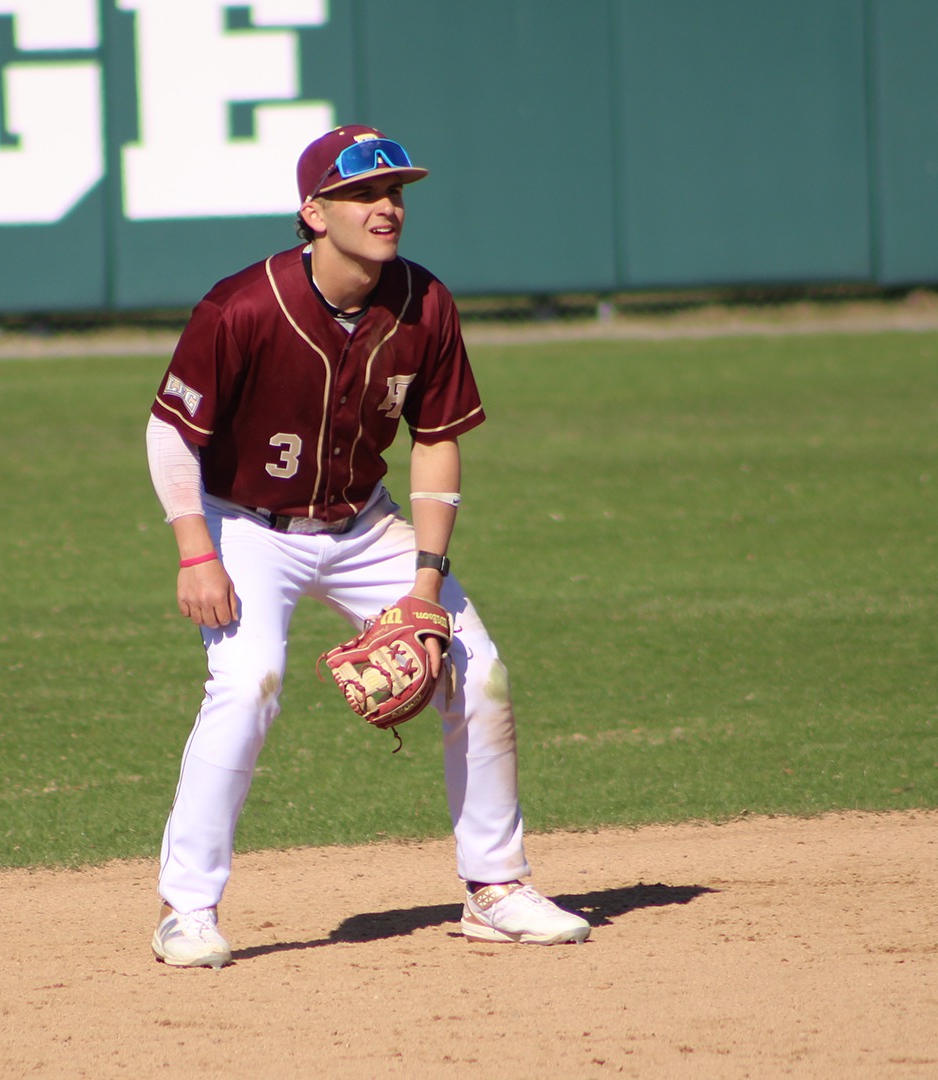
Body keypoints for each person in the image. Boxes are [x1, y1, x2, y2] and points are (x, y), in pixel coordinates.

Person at [144, 125, 590, 968]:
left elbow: (437, 439)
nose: (386, 208)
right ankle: (187, 908)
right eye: (361, 195)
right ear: (313, 213)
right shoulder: (242, 307)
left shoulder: (425, 302)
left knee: (479, 668)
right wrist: (196, 551)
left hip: (361, 522)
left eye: (394, 194)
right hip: (245, 525)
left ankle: (494, 889)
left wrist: (426, 582)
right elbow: (171, 436)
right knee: (248, 687)